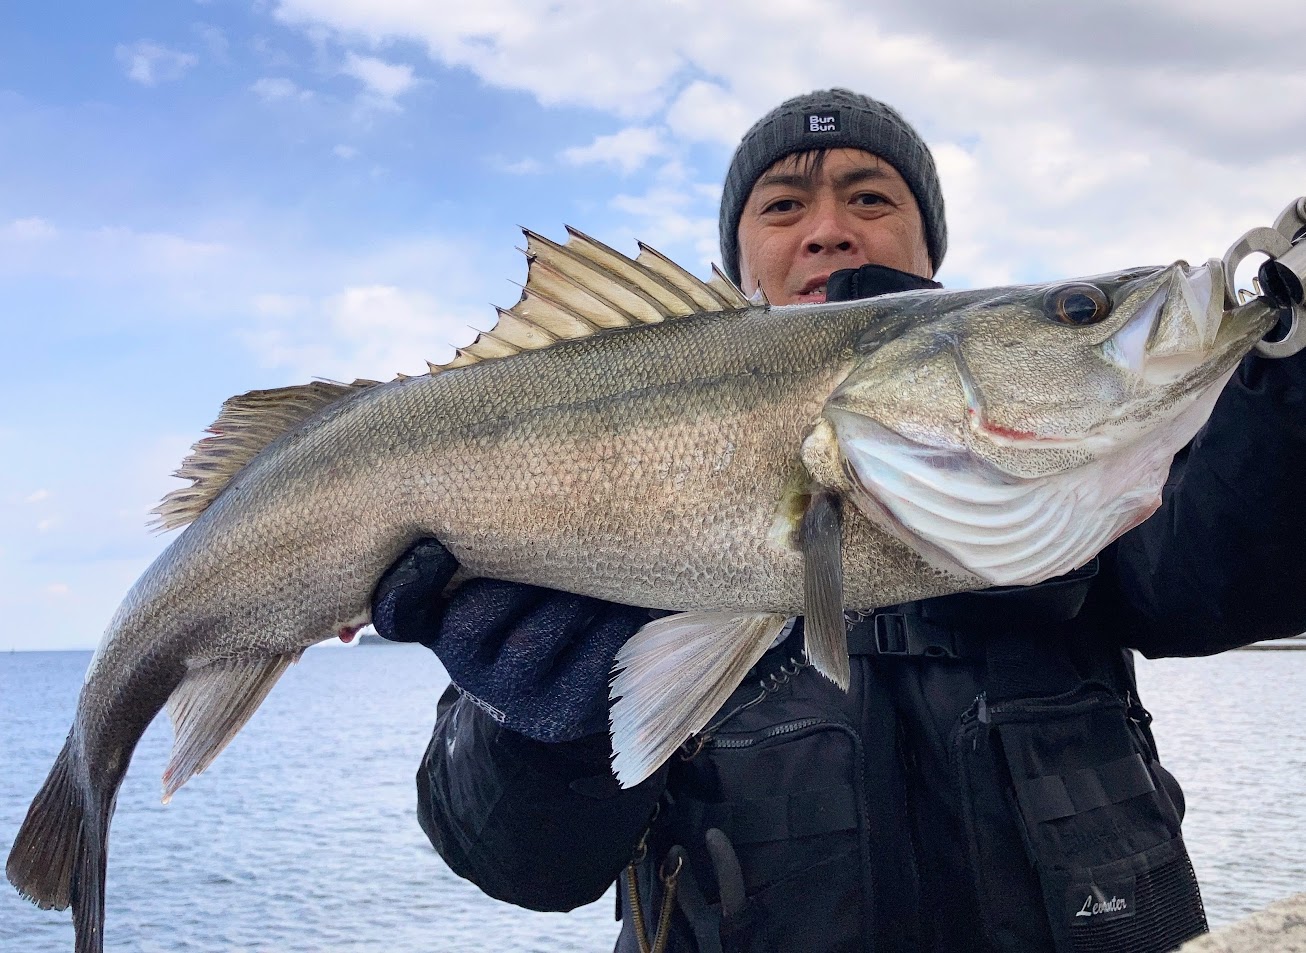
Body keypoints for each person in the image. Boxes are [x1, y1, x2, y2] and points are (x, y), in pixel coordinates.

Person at [371, 89, 1306, 952]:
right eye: (783, 206)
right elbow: (522, 865)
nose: (829, 230)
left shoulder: (1099, 476)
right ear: (738, 264)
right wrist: (535, 728)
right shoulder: (570, 474)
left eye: (870, 198)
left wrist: (1294, 374)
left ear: (930, 250)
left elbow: (1239, 562)